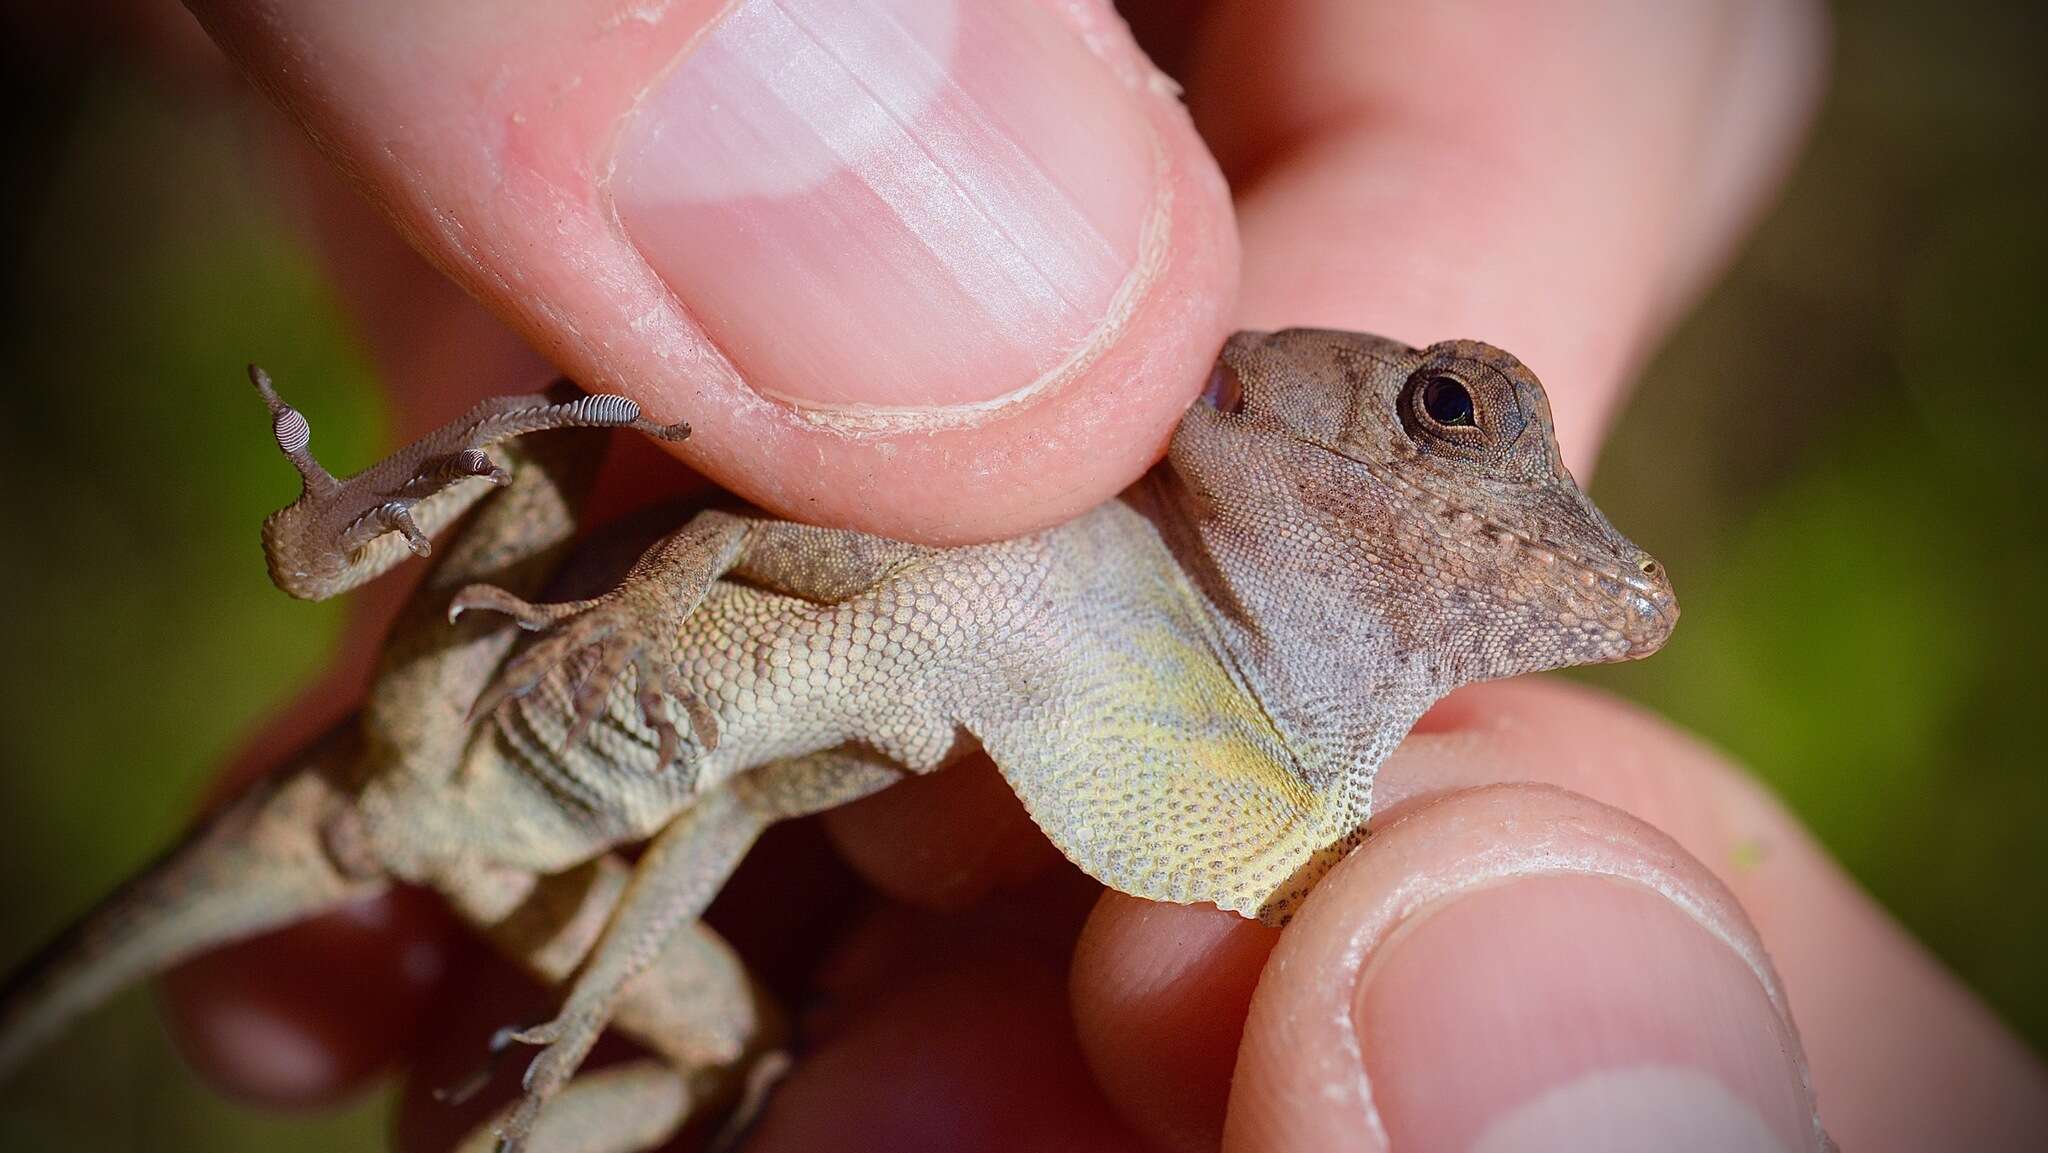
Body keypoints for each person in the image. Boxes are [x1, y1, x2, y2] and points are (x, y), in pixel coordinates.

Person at [156, 2, 2046, 1150]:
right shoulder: (1023, 488)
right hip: (482, 707)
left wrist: (600, 994)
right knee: (501, 496)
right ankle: (352, 508)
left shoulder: (1010, 633)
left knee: (742, 1056)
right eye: (1452, 409)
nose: (1481, 474)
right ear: (1244, 378)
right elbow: (738, 543)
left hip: (547, 834)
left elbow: (767, 783)